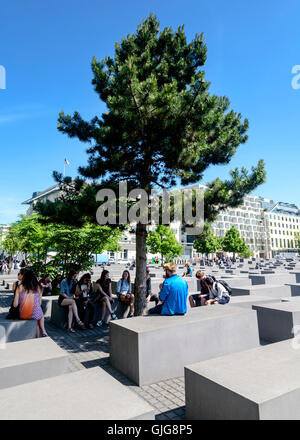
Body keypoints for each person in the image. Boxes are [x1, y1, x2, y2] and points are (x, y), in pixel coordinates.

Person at [13, 269, 48, 337]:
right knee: (39, 315)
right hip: (35, 315)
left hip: (23, 315)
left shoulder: (20, 287)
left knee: (37, 321)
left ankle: (40, 335)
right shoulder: (38, 287)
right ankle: (43, 331)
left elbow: (15, 305)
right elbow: (39, 303)